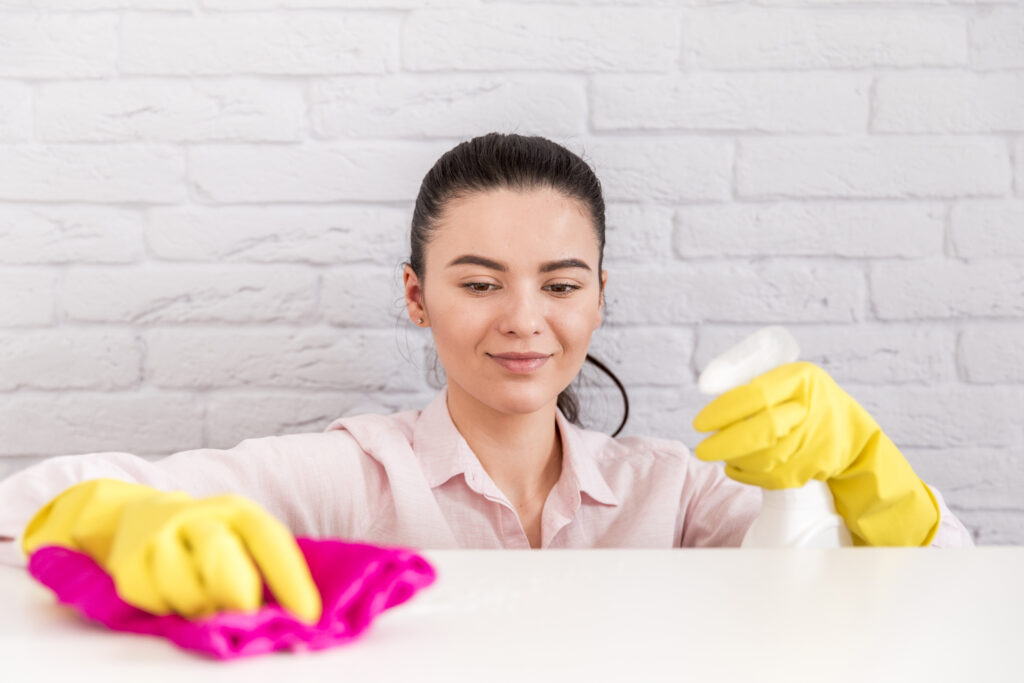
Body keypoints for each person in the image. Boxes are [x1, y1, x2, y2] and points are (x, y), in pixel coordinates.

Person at [0, 133, 973, 624]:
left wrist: (863, 469)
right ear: (416, 296)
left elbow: (941, 599)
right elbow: (19, 511)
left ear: (600, 296)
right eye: (478, 283)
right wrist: (112, 518)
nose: (523, 318)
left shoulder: (670, 491)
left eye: (561, 283)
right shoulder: (356, 476)